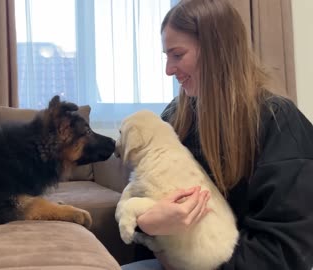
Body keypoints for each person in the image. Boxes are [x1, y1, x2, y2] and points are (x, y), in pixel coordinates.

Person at [121, 0, 313, 269]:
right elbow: (146, 198)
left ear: (216, 51)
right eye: (167, 56)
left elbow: (284, 251)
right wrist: (146, 223)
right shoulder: (174, 118)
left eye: (177, 55)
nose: (168, 70)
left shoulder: (280, 124)